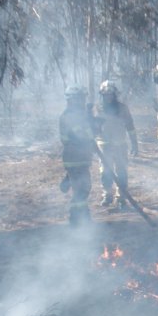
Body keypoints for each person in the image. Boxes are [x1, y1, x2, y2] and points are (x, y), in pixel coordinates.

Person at [95, 79, 138, 207]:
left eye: (110, 94)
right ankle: (107, 195)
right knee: (105, 172)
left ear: (115, 95)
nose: (108, 97)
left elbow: (130, 126)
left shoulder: (123, 109)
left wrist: (134, 143)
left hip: (120, 145)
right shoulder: (97, 109)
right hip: (103, 145)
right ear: (102, 95)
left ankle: (121, 197)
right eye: (105, 95)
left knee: (122, 172)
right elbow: (92, 127)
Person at [59, 85, 95, 225]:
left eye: (82, 98)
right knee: (82, 188)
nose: (81, 101)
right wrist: (93, 127)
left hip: (81, 157)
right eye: (78, 98)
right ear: (71, 100)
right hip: (74, 157)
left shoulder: (79, 113)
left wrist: (90, 118)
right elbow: (82, 134)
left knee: (83, 187)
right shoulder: (68, 116)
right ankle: (76, 218)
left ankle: (68, 179)